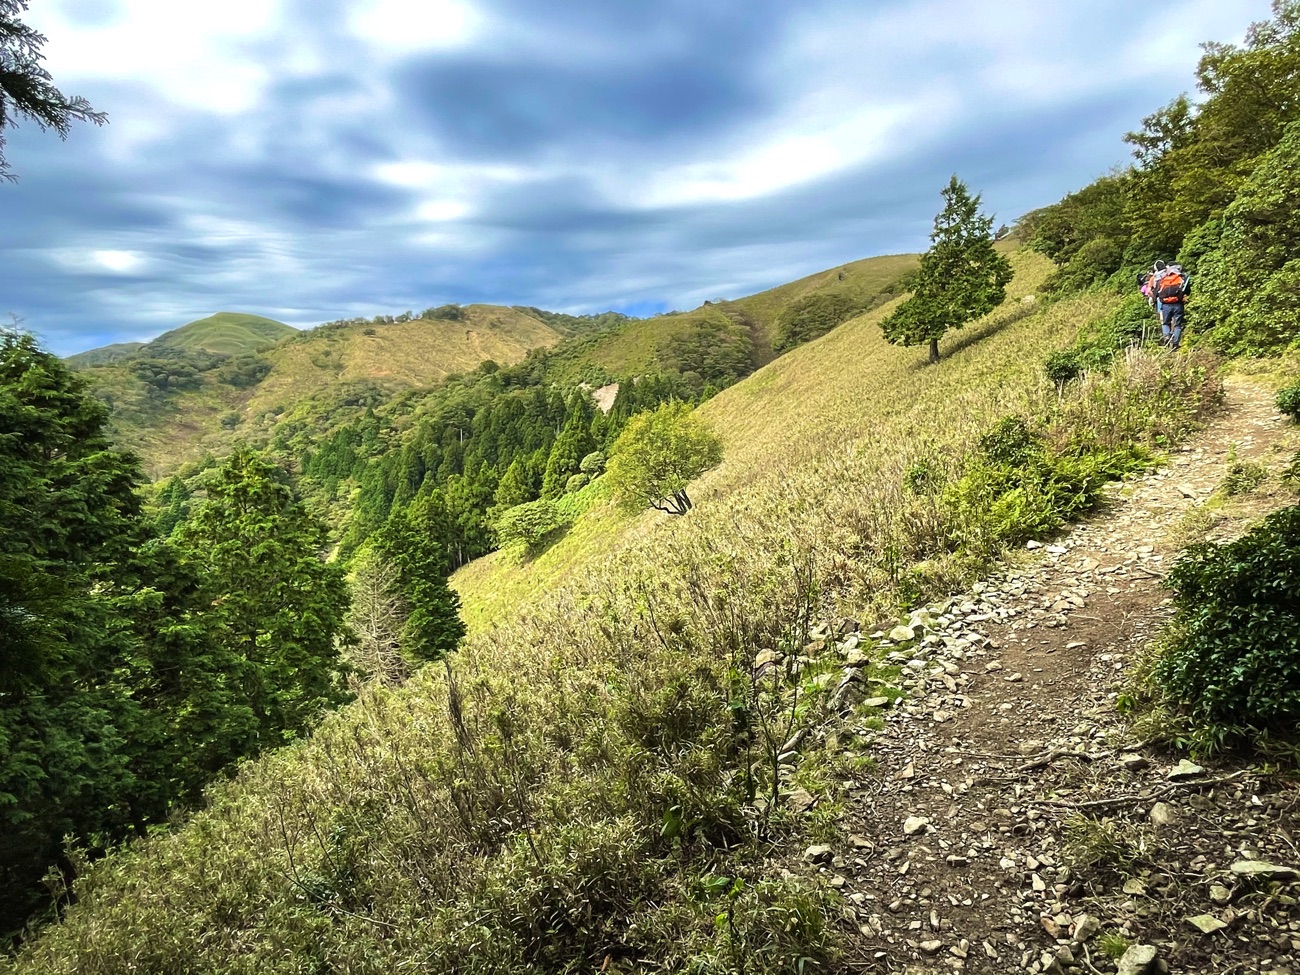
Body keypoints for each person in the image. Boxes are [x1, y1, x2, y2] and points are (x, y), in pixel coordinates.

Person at [1153, 261, 1190, 349]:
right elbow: (1187, 291)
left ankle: (1167, 337)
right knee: (1177, 325)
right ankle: (1175, 344)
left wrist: (1155, 301)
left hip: (1166, 305)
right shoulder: (1182, 278)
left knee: (1165, 323)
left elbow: (1156, 293)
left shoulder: (1163, 279)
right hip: (1178, 304)